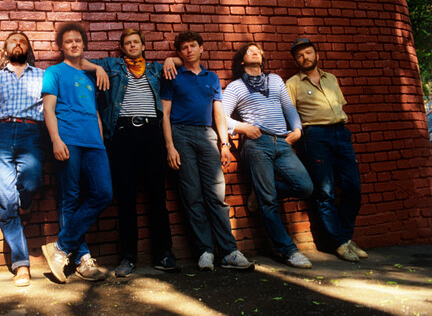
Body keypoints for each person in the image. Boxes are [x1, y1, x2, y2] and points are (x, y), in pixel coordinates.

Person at [85, 29, 181, 277]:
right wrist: (98, 69)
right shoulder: (112, 65)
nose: (132, 45)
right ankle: (128, 257)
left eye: (136, 42)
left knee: (156, 195)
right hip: (122, 134)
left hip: (151, 134)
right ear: (122, 47)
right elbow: (79, 62)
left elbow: (183, 60)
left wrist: (171, 59)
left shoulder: (155, 68)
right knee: (126, 197)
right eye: (127, 43)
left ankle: (164, 254)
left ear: (143, 46)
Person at [161, 31, 253, 271]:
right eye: (184, 48)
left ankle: (229, 252)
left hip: (207, 135)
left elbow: (218, 113)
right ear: (179, 52)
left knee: (216, 196)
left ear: (201, 48)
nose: (189, 50)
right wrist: (170, 146)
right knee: (192, 196)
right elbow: (165, 115)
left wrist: (225, 144)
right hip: (180, 134)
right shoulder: (173, 75)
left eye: (193, 46)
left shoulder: (211, 78)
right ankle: (205, 251)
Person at [222, 42, 314, 269]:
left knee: (305, 187)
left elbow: (288, 107)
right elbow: (221, 116)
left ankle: (262, 190)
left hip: (282, 142)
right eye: (249, 50)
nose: (255, 52)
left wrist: (297, 129)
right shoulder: (235, 87)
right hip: (256, 143)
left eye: (258, 50)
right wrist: (242, 127)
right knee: (269, 201)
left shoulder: (275, 80)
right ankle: (288, 251)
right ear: (242, 60)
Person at [41, 22, 113, 283]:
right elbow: (48, 109)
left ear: (84, 44)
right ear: (61, 46)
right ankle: (82, 259)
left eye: (78, 40)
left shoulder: (90, 75)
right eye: (68, 41)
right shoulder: (54, 72)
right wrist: (56, 140)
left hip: (94, 143)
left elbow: (95, 112)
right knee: (70, 197)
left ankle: (60, 247)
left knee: (103, 193)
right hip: (68, 140)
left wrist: (101, 140)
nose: (73, 44)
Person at [0, 32, 44, 286]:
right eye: (13, 41)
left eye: (23, 41)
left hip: (31, 132)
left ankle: (27, 202)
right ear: (5, 50)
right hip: (0, 134)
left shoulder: (42, 76)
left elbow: (52, 109)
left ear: (28, 49)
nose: (18, 44)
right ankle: (21, 263)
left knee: (31, 182)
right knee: (6, 201)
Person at [286, 38, 367, 262]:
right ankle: (339, 242)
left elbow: (340, 105)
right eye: (300, 55)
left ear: (317, 55)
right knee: (325, 191)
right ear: (296, 60)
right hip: (315, 136)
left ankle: (346, 237)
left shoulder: (331, 78)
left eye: (308, 53)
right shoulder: (292, 83)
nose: (305, 57)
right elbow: (289, 114)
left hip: (341, 133)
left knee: (353, 187)